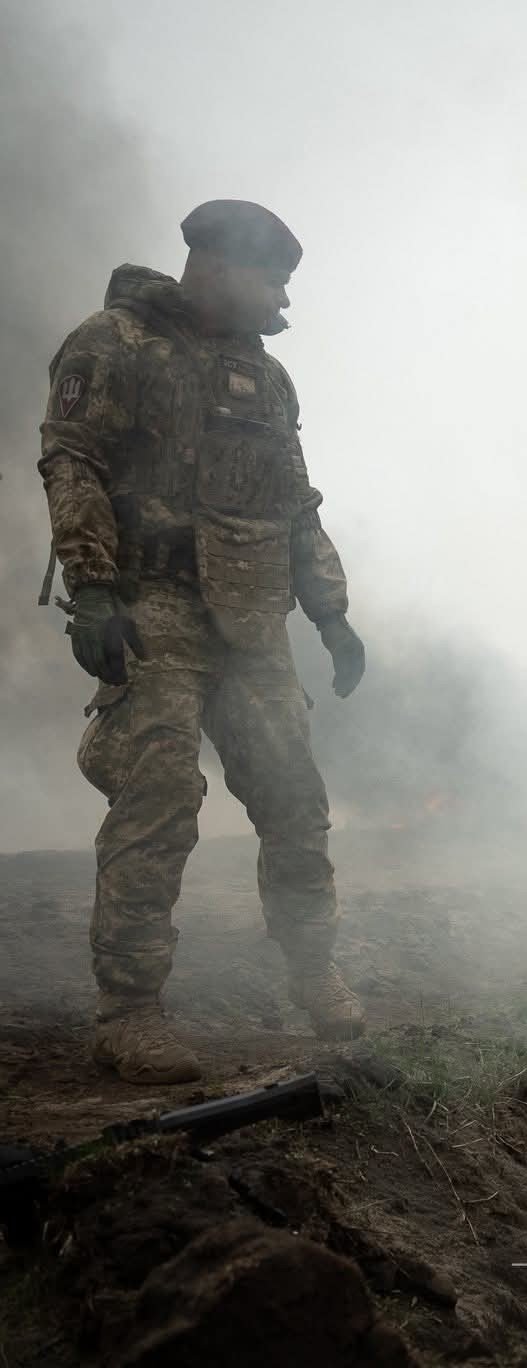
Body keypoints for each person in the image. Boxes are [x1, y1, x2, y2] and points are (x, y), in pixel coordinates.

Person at [37, 199, 368, 1084]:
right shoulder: (113, 344)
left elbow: (297, 504)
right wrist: (94, 585)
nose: (282, 299)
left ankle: (313, 972)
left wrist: (330, 613)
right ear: (218, 264)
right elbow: (72, 461)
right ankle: (129, 1013)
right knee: (161, 796)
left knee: (295, 800)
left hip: (253, 620)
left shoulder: (268, 380)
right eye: (273, 278)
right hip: (154, 606)